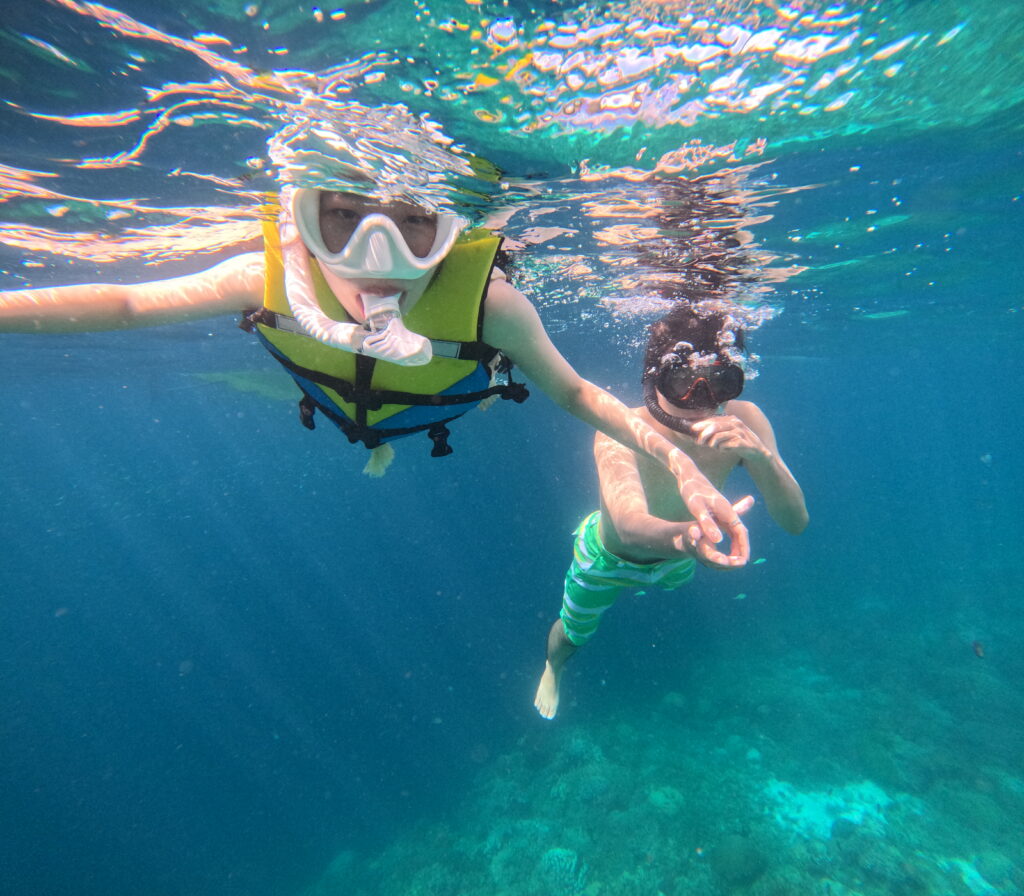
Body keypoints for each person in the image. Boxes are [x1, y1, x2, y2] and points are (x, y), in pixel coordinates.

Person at [0, 170, 750, 557]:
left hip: (443, 394)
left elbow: (578, 391)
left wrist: (677, 465)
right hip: (340, 398)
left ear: (450, 236)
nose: (377, 264)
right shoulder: (262, 278)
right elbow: (129, 303)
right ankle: (381, 441)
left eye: (417, 227)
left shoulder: (493, 309)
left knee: (481, 387)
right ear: (304, 220)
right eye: (345, 219)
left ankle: (414, 426)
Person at [534, 305, 808, 719]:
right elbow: (627, 527)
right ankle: (552, 668)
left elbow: (795, 522)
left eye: (720, 382)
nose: (701, 399)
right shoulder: (621, 426)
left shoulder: (745, 420)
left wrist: (763, 458)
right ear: (654, 377)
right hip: (607, 559)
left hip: (683, 557)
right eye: (683, 381)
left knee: (672, 583)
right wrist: (689, 540)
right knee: (573, 635)